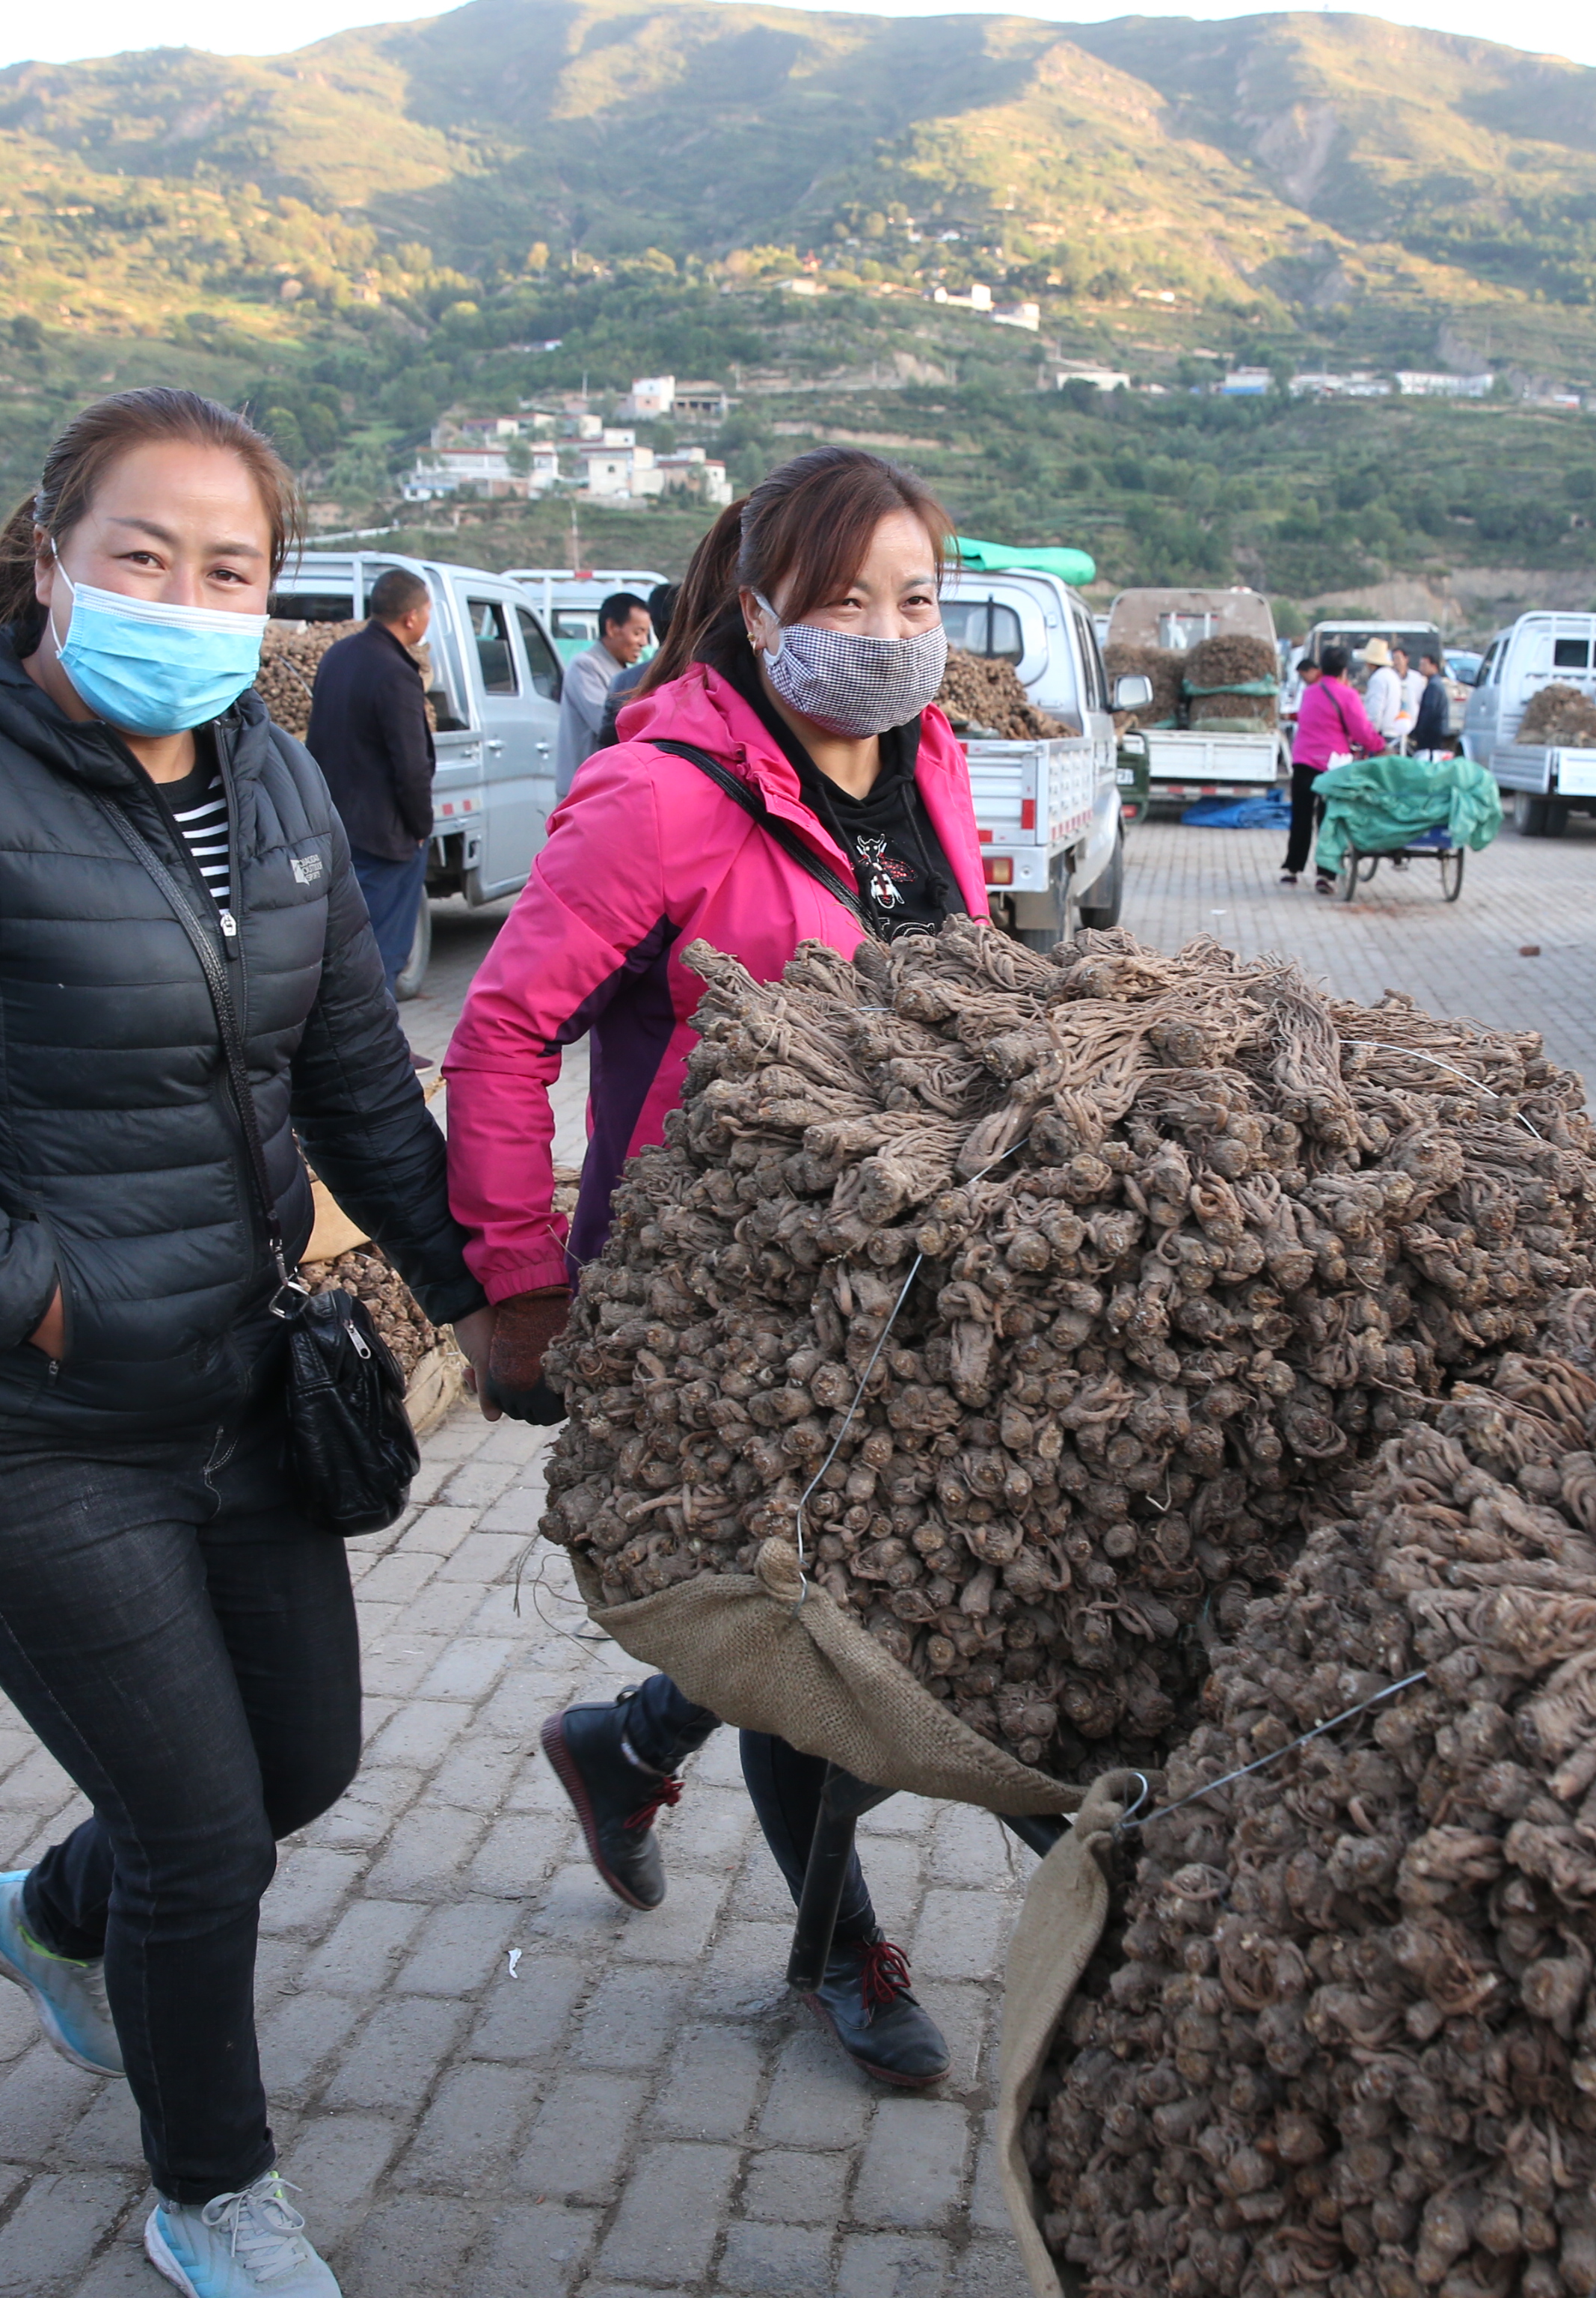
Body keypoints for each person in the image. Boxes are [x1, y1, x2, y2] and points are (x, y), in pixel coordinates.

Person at [0, 387, 485, 2298]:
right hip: (20, 1419)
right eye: (143, 553)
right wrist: (29, 1288)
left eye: (231, 567)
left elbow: (360, 1079)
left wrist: (488, 1288)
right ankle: (212, 2183)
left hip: (234, 1374)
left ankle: (50, 1921)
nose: (184, 595)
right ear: (51, 558)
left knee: (297, 1765)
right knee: (204, 1832)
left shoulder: (271, 773)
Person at [442, 447, 986, 2090]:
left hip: (901, 1280)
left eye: (915, 600)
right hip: (724, 1300)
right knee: (812, 1624)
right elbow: (500, 1033)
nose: (885, 636)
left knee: (886, 1612)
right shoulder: (661, 791)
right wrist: (522, 1284)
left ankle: (627, 1741)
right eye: (842, 604)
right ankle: (835, 1949)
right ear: (755, 613)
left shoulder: (932, 759)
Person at [307, 566, 437, 999]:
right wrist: (421, 827)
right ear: (412, 617)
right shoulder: (396, 672)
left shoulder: (338, 655)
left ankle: (376, 1045)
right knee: (382, 949)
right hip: (386, 836)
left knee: (343, 944)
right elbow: (411, 765)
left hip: (336, 823)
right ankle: (380, 1051)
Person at [1285, 642, 1374, 890]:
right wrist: (1378, 745)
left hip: (1302, 761)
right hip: (1332, 767)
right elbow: (1361, 731)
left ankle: (1292, 869)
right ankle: (1325, 874)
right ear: (1344, 670)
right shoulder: (1348, 695)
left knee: (1301, 816)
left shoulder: (1310, 692)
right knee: (1328, 819)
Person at [556, 588, 651, 797]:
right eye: (638, 632)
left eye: (646, 633)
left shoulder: (622, 671)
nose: (644, 643)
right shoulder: (586, 666)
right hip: (583, 793)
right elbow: (607, 725)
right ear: (611, 627)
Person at [593, 580, 684, 748]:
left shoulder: (626, 681)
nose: (642, 642)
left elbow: (608, 746)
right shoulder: (713, 677)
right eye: (638, 632)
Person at [1408, 647, 1458, 757]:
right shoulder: (1435, 684)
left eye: (1424, 665)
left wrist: (1418, 731)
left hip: (1432, 736)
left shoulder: (1434, 686)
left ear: (1434, 666)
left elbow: (1429, 712)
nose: (1421, 668)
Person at [1360, 637, 1409, 744]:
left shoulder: (1378, 679)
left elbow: (1375, 711)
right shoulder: (1392, 675)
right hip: (1394, 731)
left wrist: (1369, 736)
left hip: (1382, 733)